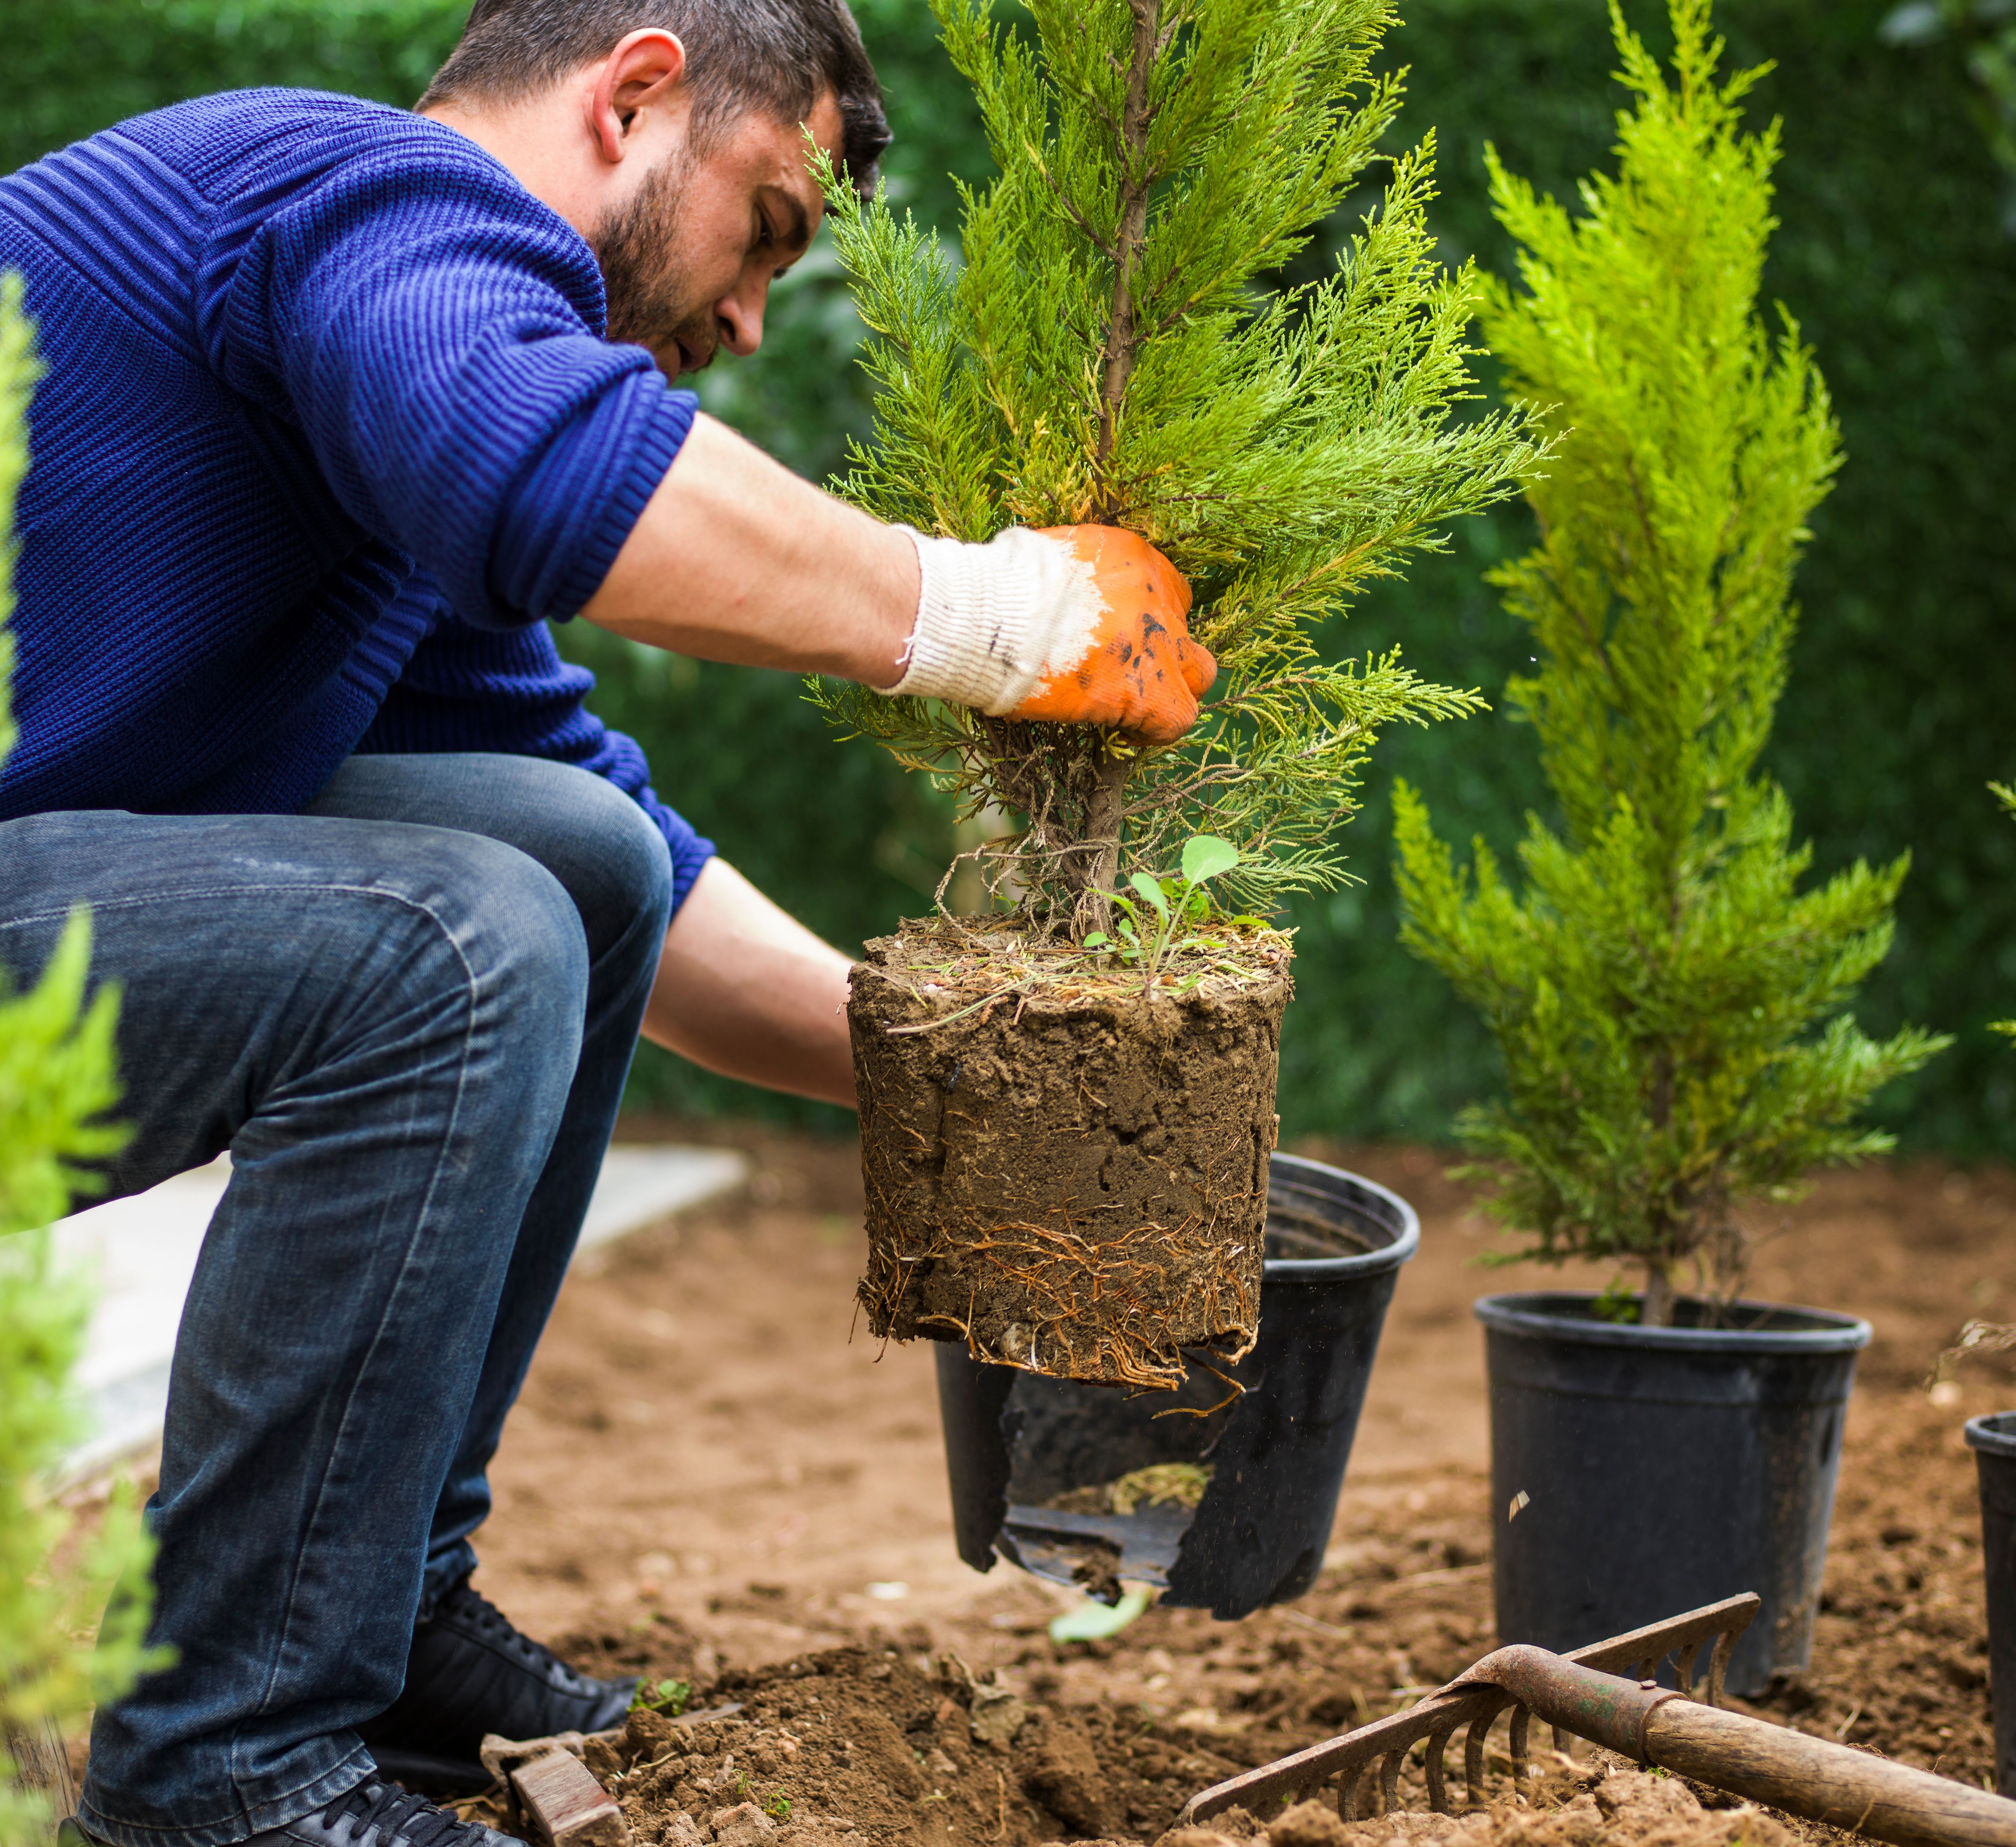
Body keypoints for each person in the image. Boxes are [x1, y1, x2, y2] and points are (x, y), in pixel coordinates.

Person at [0, 4, 1214, 1846]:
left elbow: (626, 849)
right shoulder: (359, 187)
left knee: (563, 853)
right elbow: (561, 476)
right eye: (769, 225)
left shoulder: (371, 428)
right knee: (447, 935)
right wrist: (1005, 621)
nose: (746, 318)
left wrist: (986, 1098)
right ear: (635, 91)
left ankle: (367, 1621)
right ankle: (225, 1774)